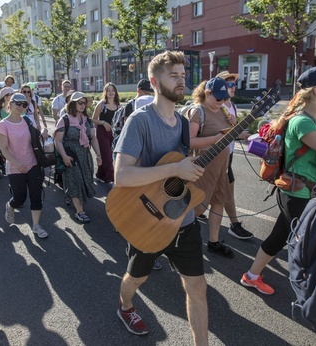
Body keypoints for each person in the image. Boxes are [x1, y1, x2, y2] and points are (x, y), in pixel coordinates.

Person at [240, 66, 316, 295]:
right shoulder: (302, 122)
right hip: (297, 194)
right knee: (310, 244)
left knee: (279, 237)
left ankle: (251, 276)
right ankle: (310, 295)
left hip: (303, 192)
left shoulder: (314, 119)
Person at [113, 51, 207, 344]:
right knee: (136, 279)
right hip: (148, 219)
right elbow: (122, 176)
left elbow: (178, 168)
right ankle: (125, 306)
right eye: (173, 76)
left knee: (198, 288)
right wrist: (176, 167)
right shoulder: (140, 121)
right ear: (154, 81)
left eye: (183, 75)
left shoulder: (181, 123)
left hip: (183, 220)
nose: (182, 82)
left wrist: (186, 172)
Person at [187, 77, 235, 258]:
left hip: (221, 166)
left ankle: (213, 242)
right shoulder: (198, 112)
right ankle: (175, 239)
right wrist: (216, 138)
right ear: (207, 94)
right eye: (218, 98)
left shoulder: (222, 111)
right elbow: (190, 142)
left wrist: (234, 127)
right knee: (198, 208)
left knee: (218, 202)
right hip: (203, 168)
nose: (222, 101)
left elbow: (227, 135)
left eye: (224, 98)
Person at [0, 93, 49, 238]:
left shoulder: (27, 120)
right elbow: (4, 149)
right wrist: (17, 164)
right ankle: (10, 206)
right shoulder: (3, 124)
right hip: (14, 167)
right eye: (18, 103)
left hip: (33, 164)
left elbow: (35, 138)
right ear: (10, 104)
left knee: (36, 196)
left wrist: (43, 132)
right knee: (19, 198)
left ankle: (36, 226)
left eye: (24, 104)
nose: (21, 107)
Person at [215, 70, 254, 240]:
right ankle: (234, 224)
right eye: (229, 84)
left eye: (234, 84)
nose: (233, 87)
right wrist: (239, 133)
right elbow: (219, 132)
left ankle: (232, 224)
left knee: (221, 191)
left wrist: (245, 132)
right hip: (217, 156)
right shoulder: (218, 106)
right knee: (224, 191)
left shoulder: (233, 105)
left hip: (228, 154)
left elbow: (234, 128)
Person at [54, 92, 102, 223]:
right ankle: (79, 212)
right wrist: (64, 156)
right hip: (71, 156)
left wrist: (98, 155)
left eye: (84, 103)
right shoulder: (65, 119)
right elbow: (58, 140)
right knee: (75, 181)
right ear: (73, 104)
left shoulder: (88, 121)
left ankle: (70, 194)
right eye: (79, 102)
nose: (82, 105)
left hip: (85, 156)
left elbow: (93, 138)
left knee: (84, 181)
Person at [92, 82, 120, 183]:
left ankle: (100, 175)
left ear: (115, 92)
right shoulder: (101, 104)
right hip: (102, 132)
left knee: (109, 155)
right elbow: (93, 119)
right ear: (105, 92)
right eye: (109, 90)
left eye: (113, 90)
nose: (111, 92)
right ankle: (111, 179)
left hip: (113, 133)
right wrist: (103, 123)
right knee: (107, 156)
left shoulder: (118, 105)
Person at [0, 87, 15, 177]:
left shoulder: (17, 110)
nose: (14, 97)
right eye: (12, 95)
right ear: (6, 98)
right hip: (6, 148)